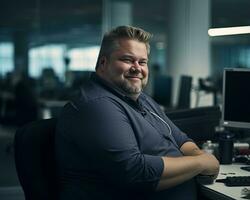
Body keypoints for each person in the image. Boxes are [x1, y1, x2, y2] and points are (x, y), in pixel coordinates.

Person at [55, 25, 219, 200]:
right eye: (127, 60)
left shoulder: (140, 98)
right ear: (103, 63)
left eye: (142, 62)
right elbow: (134, 172)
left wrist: (197, 154)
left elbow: (179, 138)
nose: (137, 68)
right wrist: (201, 162)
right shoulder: (97, 105)